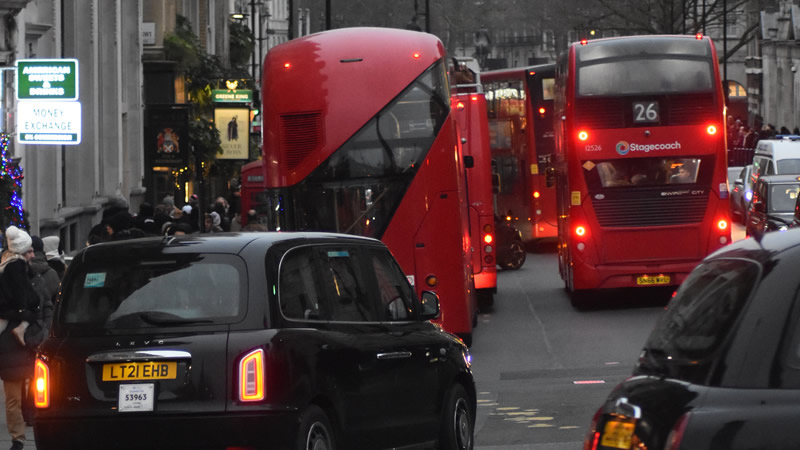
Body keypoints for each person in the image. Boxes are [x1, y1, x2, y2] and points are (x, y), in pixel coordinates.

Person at [0, 226, 43, 450]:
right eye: (29, 252)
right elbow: (27, 300)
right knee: (18, 393)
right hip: (16, 343)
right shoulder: (16, 269)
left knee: (15, 395)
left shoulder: (8, 265)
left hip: (15, 342)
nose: (32, 256)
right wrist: (29, 314)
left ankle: (18, 437)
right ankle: (18, 437)